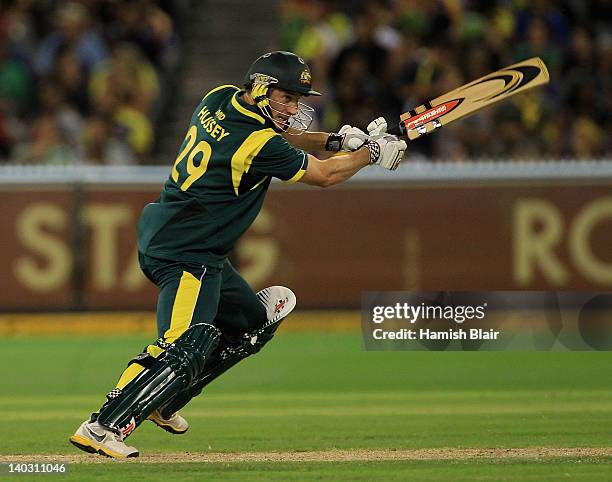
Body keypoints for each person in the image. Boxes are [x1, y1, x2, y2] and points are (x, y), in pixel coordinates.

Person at [69, 51, 406, 458]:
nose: (295, 107)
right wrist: (371, 155)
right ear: (262, 88)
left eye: (299, 99)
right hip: (185, 251)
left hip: (194, 245)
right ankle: (102, 425)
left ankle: (164, 399)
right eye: (288, 97)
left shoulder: (220, 97)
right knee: (182, 343)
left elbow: (279, 140)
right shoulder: (258, 143)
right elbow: (325, 175)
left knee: (254, 322)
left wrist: (338, 140)